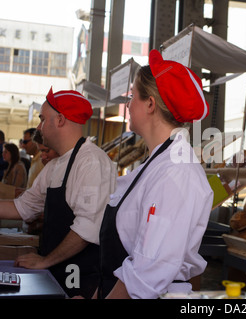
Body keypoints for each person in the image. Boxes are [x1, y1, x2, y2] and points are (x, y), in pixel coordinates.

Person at [91, 50, 213, 299]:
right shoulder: (158, 162)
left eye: (132, 96)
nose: (127, 105)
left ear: (150, 104)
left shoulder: (175, 172)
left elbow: (146, 273)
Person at [0, 88, 117, 298]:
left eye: (43, 119)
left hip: (82, 281)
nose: (39, 126)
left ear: (61, 120)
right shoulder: (56, 166)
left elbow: (86, 230)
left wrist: (45, 261)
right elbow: (24, 206)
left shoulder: (92, 162)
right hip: (57, 273)